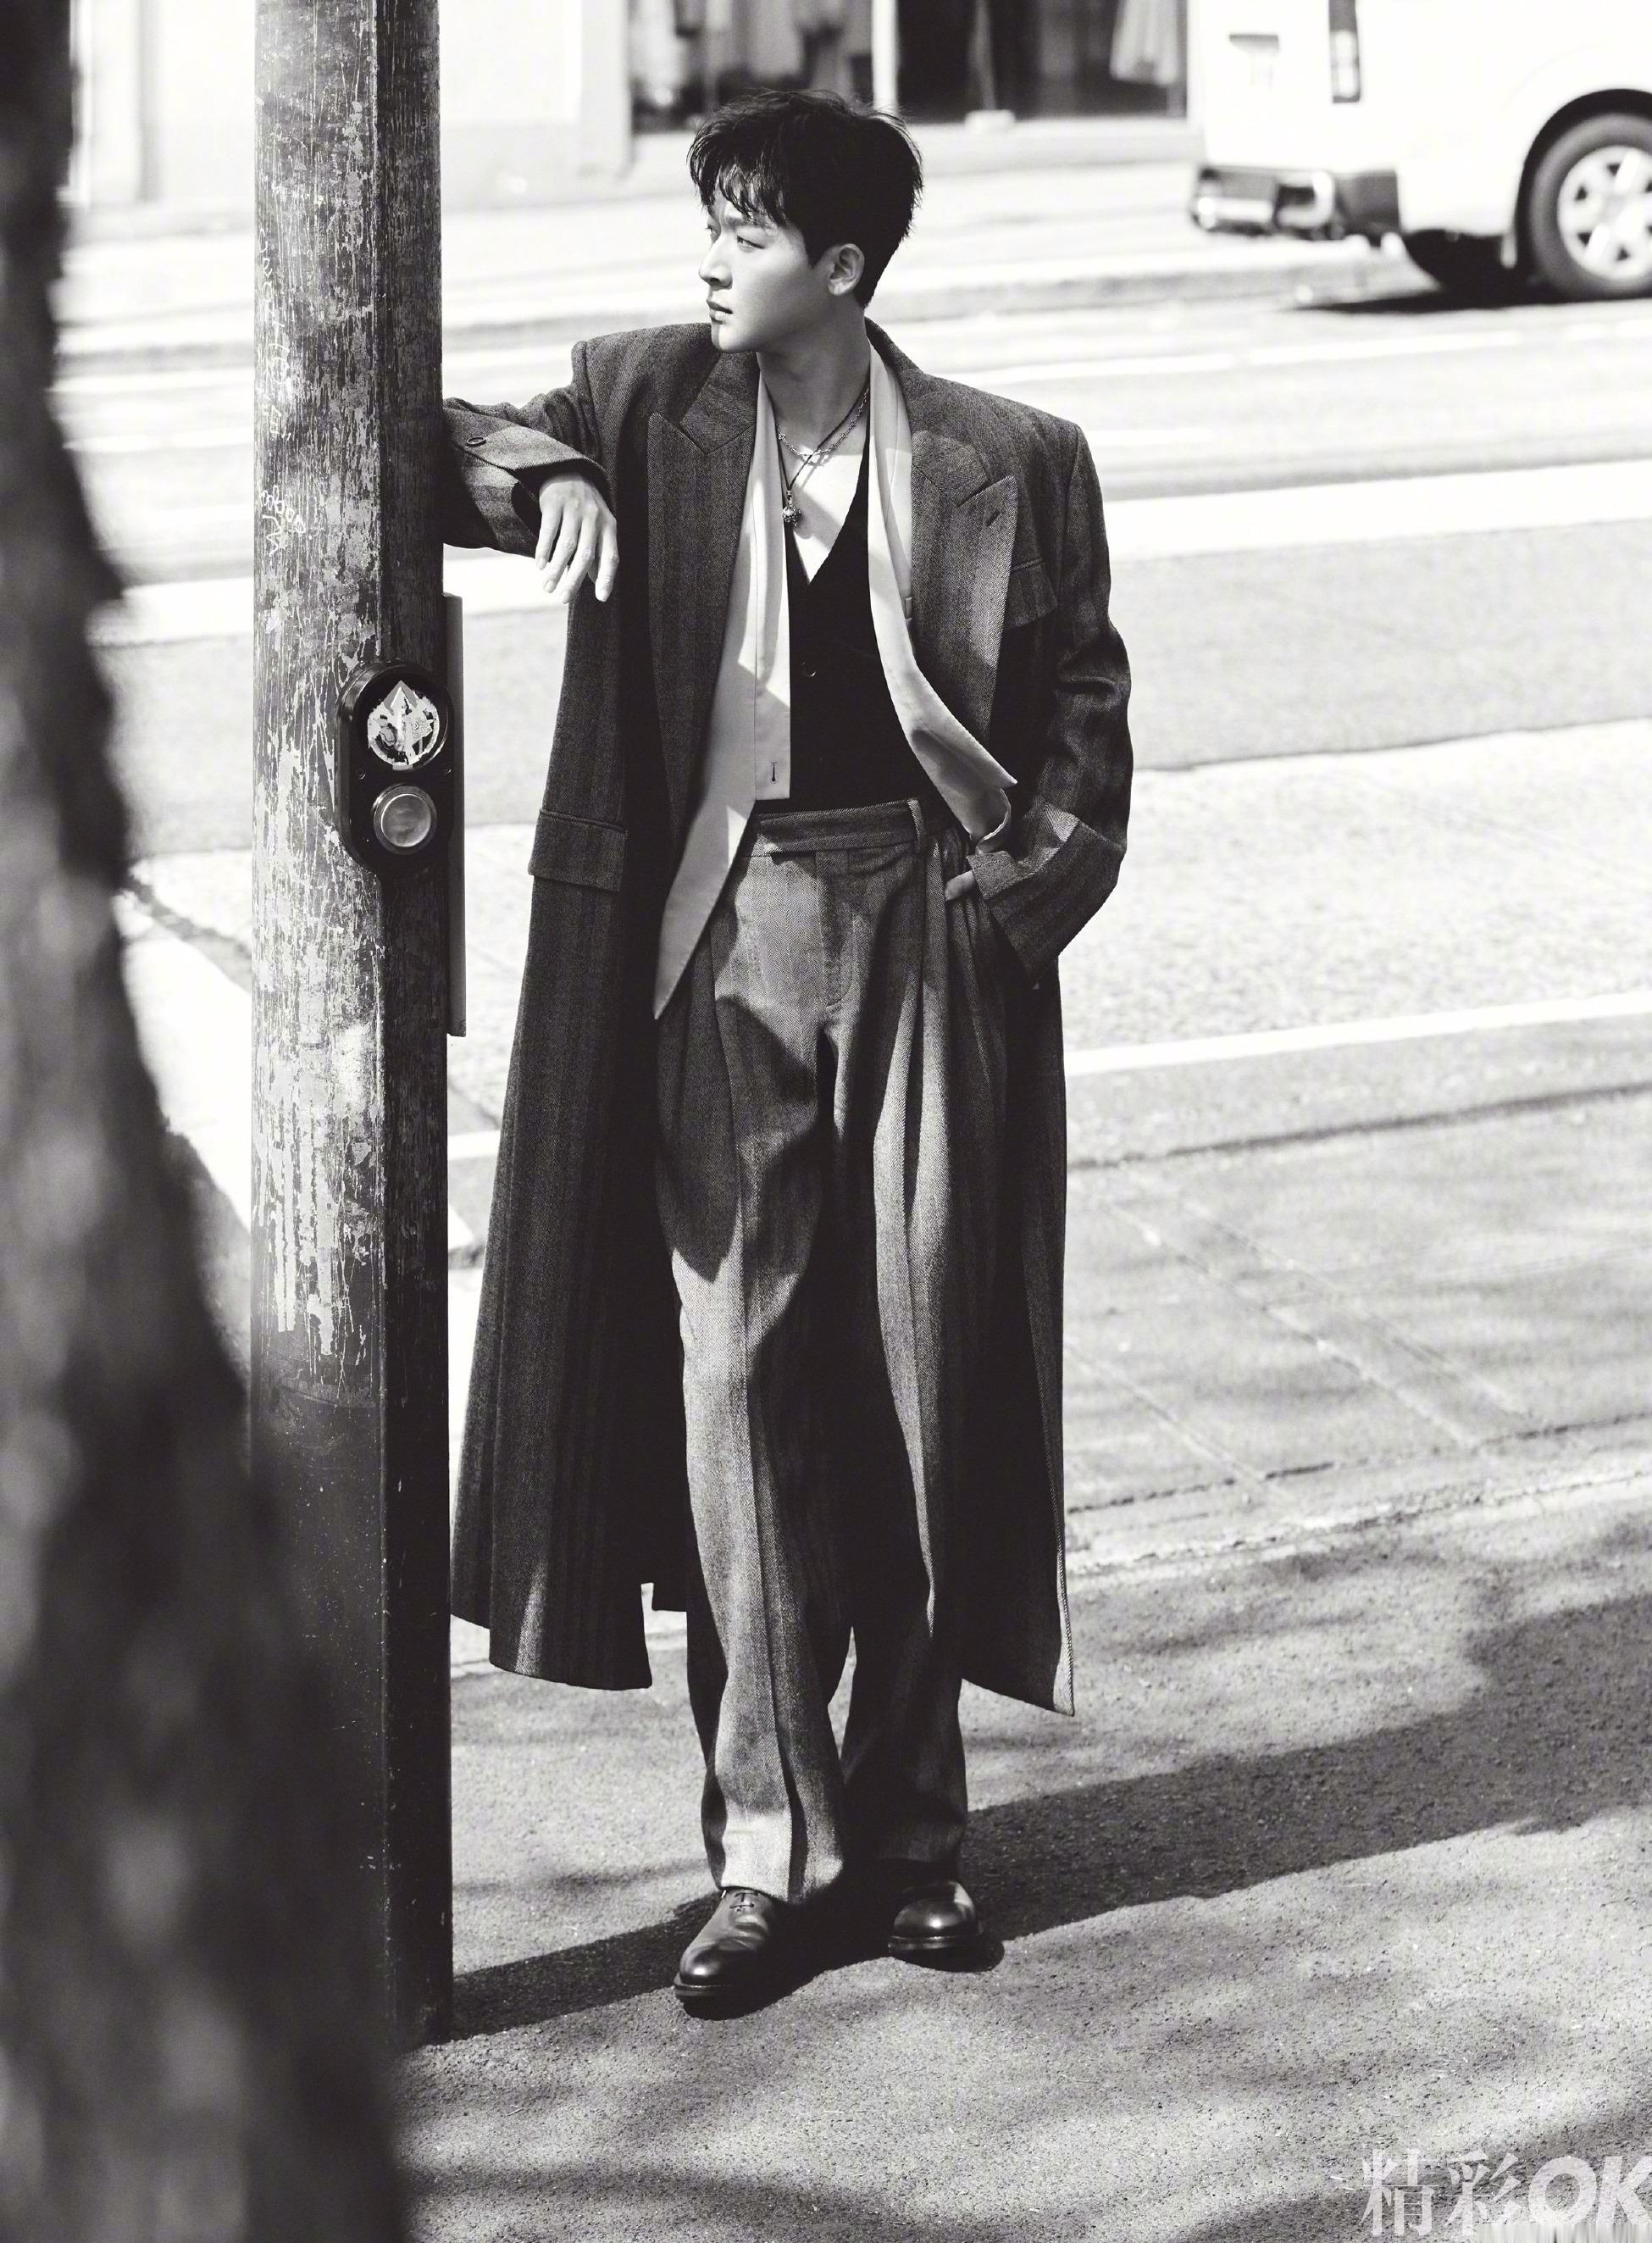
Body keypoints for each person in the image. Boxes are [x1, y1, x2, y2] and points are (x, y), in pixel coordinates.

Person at [441, 87, 1132, 2013]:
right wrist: (545, 482)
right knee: (731, 1379)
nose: (707, 263)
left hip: (929, 923)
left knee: (922, 1367)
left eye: (741, 235)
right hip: (711, 936)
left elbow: (1084, 698)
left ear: (839, 267)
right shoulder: (640, 402)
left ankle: (911, 1841)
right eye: (707, 226)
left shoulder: (1009, 455)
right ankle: (766, 1850)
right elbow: (430, 429)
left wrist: (1012, 897)